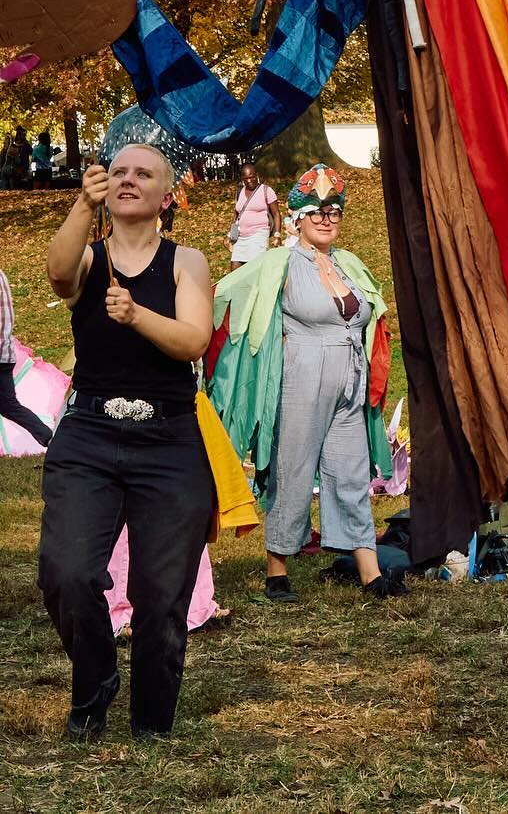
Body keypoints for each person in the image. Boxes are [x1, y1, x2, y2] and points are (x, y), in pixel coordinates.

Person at [37, 146, 215, 740]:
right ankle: (94, 682)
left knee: (162, 593)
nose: (128, 180)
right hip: (89, 431)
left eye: (144, 174)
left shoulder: (187, 261)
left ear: (167, 195)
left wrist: (137, 315)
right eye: (118, 172)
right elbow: (59, 274)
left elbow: (193, 339)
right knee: (66, 572)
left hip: (167, 437)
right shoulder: (90, 258)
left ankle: (150, 723)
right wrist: (80, 210)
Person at [207, 163, 398, 603]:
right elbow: (223, 296)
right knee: (292, 468)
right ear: (297, 218)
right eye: (316, 211)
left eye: (334, 211)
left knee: (351, 472)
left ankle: (370, 573)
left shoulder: (349, 264)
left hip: (350, 379)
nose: (327, 219)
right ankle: (277, 569)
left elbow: (371, 313)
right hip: (300, 376)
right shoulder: (278, 264)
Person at [0, 264, 54, 447]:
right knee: (9, 406)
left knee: (9, 405)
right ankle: (48, 437)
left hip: (1, 354)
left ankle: (49, 438)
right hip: (5, 353)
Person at [229, 160, 280, 265]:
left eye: (251, 177)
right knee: (235, 270)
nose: (249, 180)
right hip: (241, 236)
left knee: (253, 268)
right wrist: (229, 235)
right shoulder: (240, 192)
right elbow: (237, 215)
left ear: (256, 175)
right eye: (246, 178)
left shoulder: (266, 190)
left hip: (259, 234)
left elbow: (276, 214)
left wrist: (277, 235)